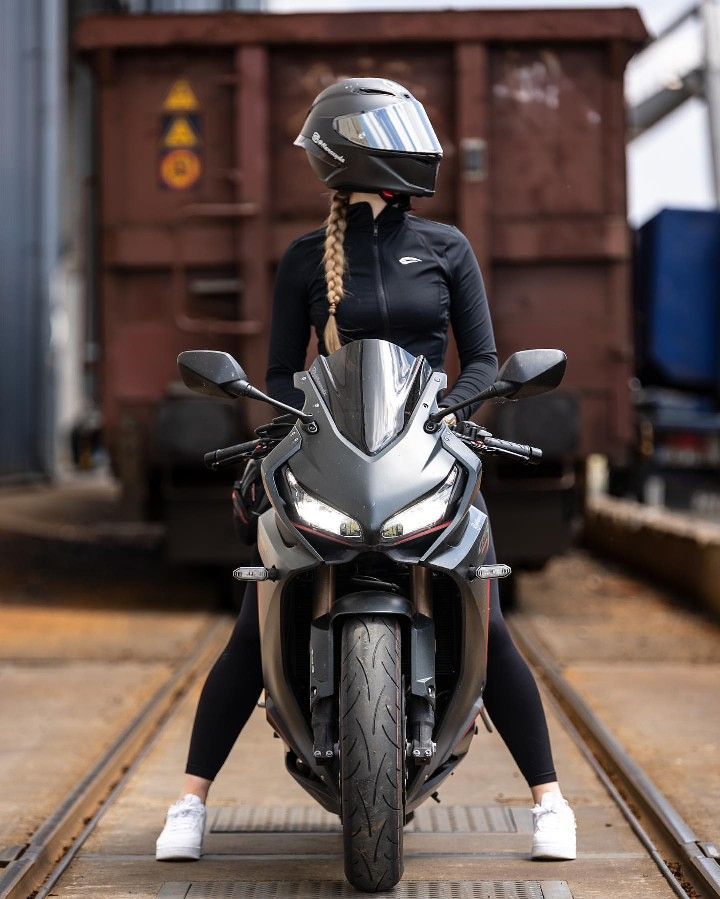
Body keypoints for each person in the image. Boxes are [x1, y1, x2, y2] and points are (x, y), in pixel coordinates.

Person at [156, 77, 576, 864]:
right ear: (358, 146)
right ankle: (190, 800)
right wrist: (284, 423)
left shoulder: (447, 248)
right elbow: (282, 371)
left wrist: (453, 411)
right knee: (259, 614)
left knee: (487, 609)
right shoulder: (307, 258)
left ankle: (549, 800)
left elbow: (482, 359)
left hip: (426, 449)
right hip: (334, 446)